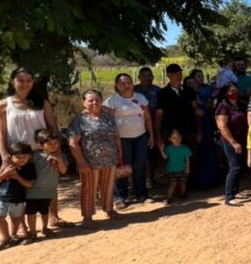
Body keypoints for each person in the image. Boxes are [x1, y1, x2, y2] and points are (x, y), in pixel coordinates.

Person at [0, 68, 67, 227]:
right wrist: (5, 156)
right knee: (19, 188)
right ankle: (21, 225)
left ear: (33, 82)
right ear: (13, 82)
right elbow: (0, 134)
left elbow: (53, 127)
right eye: (21, 80)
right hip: (19, 155)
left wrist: (57, 150)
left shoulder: (42, 102)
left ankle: (54, 217)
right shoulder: (3, 105)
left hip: (42, 152)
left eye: (29, 80)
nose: (25, 84)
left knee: (48, 184)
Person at [68, 89, 123, 227]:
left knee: (108, 187)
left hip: (110, 159)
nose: (94, 103)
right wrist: (81, 162)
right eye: (90, 100)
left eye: (97, 100)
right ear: (84, 103)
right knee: (89, 190)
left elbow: (116, 135)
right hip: (89, 162)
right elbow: (73, 143)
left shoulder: (108, 117)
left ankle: (109, 210)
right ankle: (87, 217)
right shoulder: (79, 120)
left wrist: (119, 152)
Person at [104, 73, 155, 208]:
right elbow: (107, 122)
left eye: (129, 82)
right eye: (123, 83)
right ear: (117, 86)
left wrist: (151, 135)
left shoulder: (140, 98)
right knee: (123, 167)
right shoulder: (112, 101)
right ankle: (119, 197)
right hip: (122, 138)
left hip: (140, 136)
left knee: (140, 166)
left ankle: (142, 194)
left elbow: (148, 118)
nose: (127, 86)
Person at [25, 129, 68, 242]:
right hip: (33, 190)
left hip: (49, 190)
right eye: (50, 143)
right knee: (31, 212)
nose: (53, 146)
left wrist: (59, 160)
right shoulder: (35, 156)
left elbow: (63, 171)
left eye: (55, 143)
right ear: (40, 145)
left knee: (45, 211)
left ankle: (45, 228)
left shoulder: (60, 156)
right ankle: (33, 231)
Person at [0, 142, 35, 251]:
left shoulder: (29, 168)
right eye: (18, 157)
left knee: (15, 219)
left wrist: (17, 177)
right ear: (11, 156)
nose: (21, 160)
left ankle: (13, 235)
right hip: (0, 198)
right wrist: (4, 173)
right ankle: (5, 238)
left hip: (17, 199)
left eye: (24, 157)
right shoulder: (4, 166)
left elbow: (29, 184)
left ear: (29, 156)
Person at [155, 64, 201, 157]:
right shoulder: (162, 93)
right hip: (172, 133)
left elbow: (196, 110)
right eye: (175, 73)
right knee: (175, 161)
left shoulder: (189, 91)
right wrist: (158, 136)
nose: (179, 76)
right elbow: (158, 116)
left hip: (190, 131)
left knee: (192, 160)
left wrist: (199, 130)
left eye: (180, 73)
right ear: (168, 75)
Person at [215, 84, 248, 205]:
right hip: (229, 141)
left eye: (236, 90)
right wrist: (233, 142)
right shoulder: (223, 106)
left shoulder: (239, 105)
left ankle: (235, 192)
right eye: (231, 91)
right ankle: (229, 196)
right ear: (226, 93)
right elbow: (222, 126)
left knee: (239, 166)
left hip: (241, 139)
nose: (235, 92)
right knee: (234, 167)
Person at [134, 66, 162, 192]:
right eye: (144, 76)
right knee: (138, 157)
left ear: (153, 77)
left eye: (149, 76)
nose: (147, 78)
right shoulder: (133, 91)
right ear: (139, 78)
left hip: (155, 127)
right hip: (137, 128)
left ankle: (151, 179)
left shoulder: (158, 91)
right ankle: (138, 183)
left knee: (153, 155)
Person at [161, 129, 192, 203]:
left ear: (181, 138)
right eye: (174, 138)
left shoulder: (185, 148)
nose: (176, 139)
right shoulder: (168, 148)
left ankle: (183, 194)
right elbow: (165, 157)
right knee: (172, 183)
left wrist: (188, 168)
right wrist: (161, 150)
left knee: (183, 182)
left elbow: (187, 158)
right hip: (172, 170)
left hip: (182, 169)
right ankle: (169, 198)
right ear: (170, 139)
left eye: (178, 137)